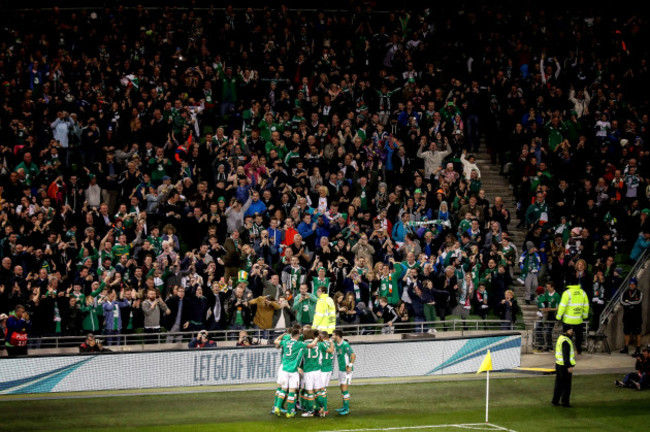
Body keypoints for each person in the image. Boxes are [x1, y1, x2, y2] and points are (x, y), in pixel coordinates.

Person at [272, 328, 318, 418]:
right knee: (292, 392)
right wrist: (316, 337)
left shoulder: (285, 342)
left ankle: (277, 407)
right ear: (297, 335)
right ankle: (289, 412)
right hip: (293, 371)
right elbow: (312, 345)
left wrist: (282, 335)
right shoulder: (299, 344)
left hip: (284, 369)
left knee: (283, 389)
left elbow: (275, 341)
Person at [556, 284, 589, 355]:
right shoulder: (582, 293)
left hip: (568, 320)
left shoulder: (567, 293)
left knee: (567, 337)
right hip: (578, 320)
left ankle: (567, 352)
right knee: (579, 336)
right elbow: (586, 305)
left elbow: (562, 306)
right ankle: (579, 350)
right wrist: (584, 316)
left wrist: (558, 316)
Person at [332, 329, 356, 416]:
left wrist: (349, 365)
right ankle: (343, 406)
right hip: (341, 369)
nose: (332, 337)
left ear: (338, 336)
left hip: (347, 370)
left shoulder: (345, 345)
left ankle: (347, 409)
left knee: (344, 388)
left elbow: (353, 355)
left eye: (333, 335)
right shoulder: (335, 344)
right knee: (342, 388)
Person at [552, 324, 576, 407]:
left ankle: (555, 400)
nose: (572, 331)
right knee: (566, 385)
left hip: (559, 364)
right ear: (566, 330)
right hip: (564, 366)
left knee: (558, 384)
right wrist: (569, 366)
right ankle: (565, 403)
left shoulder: (560, 338)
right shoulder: (566, 341)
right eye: (570, 330)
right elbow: (566, 355)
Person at [620, 278, 644, 356]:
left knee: (637, 332)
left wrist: (629, 302)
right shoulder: (625, 293)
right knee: (626, 332)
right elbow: (622, 302)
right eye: (631, 284)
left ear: (636, 285)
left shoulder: (639, 293)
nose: (632, 285)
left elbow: (639, 301)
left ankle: (638, 348)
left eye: (633, 284)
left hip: (637, 316)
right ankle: (626, 347)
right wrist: (631, 303)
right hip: (627, 316)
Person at [536, 282, 561, 351]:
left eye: (548, 287)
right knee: (538, 328)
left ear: (552, 287)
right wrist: (542, 308)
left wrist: (550, 309)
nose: (547, 288)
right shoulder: (546, 294)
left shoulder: (557, 295)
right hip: (544, 314)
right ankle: (541, 344)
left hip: (551, 315)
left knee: (548, 331)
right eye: (546, 287)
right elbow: (543, 303)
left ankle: (549, 346)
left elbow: (559, 307)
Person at [316, 331, 336, 417]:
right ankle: (323, 407)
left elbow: (330, 351)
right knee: (323, 389)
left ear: (322, 337)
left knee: (320, 389)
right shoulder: (332, 343)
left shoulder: (321, 344)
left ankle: (324, 408)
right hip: (329, 369)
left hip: (323, 369)